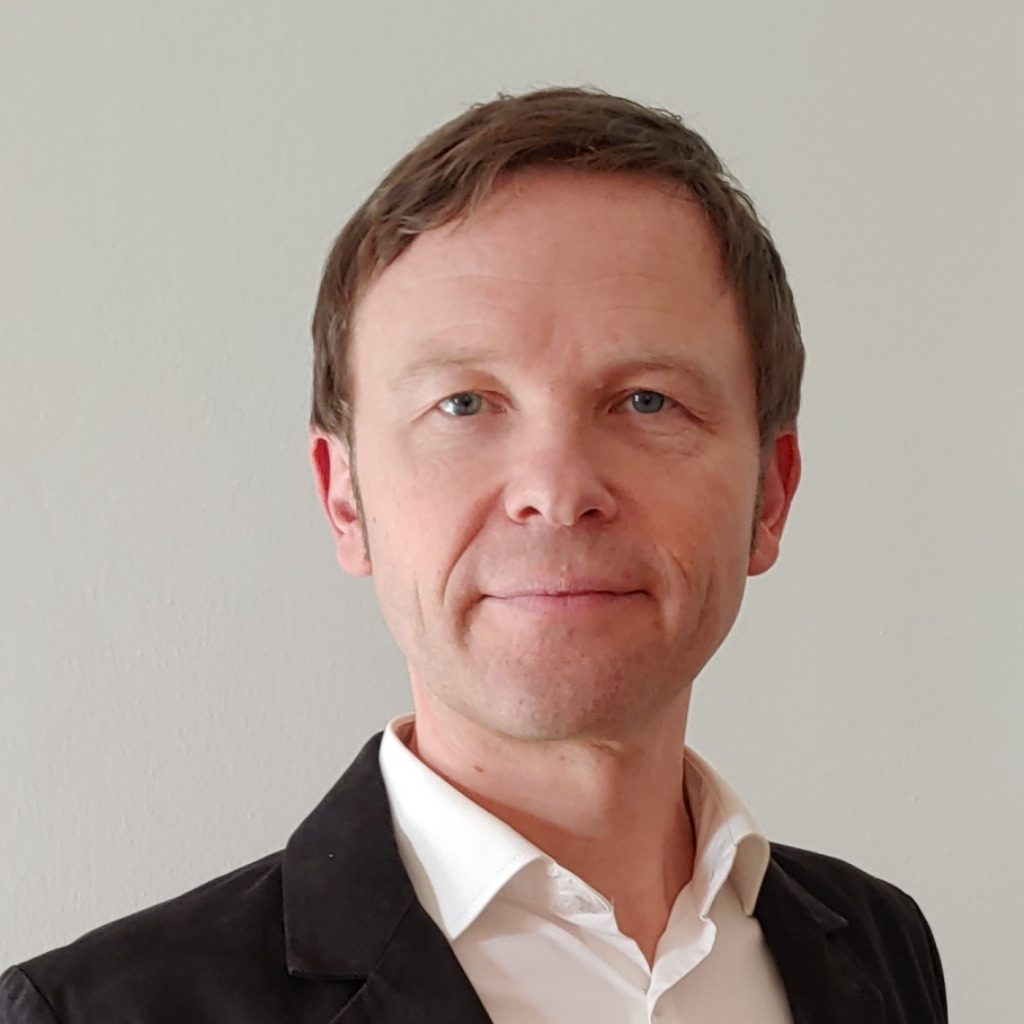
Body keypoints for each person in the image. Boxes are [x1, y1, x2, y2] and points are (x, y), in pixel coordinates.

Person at [1, 87, 946, 1023]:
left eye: (647, 400)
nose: (557, 489)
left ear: (770, 495)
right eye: (463, 404)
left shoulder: (883, 947)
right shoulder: (89, 1014)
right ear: (345, 499)